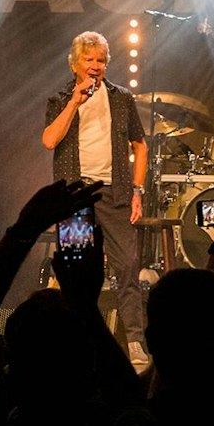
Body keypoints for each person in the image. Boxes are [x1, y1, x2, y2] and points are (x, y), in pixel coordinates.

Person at [41, 30, 149, 364]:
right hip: (75, 195)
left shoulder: (120, 97)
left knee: (128, 267)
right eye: (89, 59)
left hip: (114, 192)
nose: (96, 65)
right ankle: (75, 344)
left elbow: (140, 144)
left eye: (101, 60)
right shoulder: (60, 98)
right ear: (75, 64)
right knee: (75, 268)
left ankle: (134, 342)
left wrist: (136, 190)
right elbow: (49, 140)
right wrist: (75, 101)